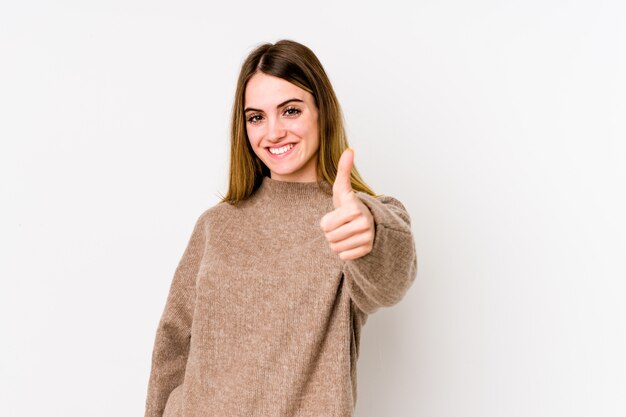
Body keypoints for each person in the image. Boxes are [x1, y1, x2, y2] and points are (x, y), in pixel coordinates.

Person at [144, 39, 418, 417]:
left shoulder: (351, 217)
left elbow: (390, 280)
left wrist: (368, 226)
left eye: (290, 110)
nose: (272, 132)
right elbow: (172, 346)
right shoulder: (216, 224)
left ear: (323, 112)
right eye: (256, 117)